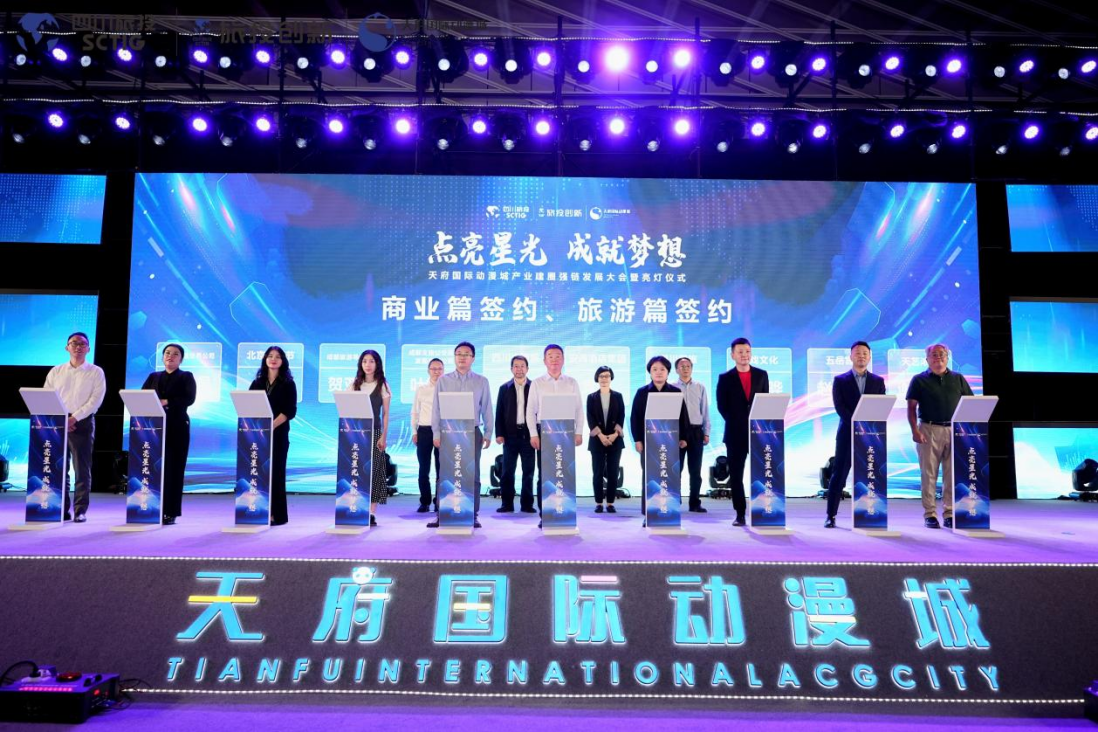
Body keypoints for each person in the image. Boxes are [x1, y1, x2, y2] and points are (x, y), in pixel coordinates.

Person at [906, 343, 974, 529]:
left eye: (942, 354)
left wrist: (967, 431)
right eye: (934, 355)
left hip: (954, 431)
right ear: (927, 359)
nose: (939, 358)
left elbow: (970, 404)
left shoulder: (958, 378)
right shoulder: (918, 380)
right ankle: (930, 514)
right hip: (928, 430)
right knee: (929, 475)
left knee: (951, 475)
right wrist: (915, 431)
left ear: (948, 357)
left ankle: (950, 513)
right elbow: (911, 408)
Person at [429, 341, 493, 529]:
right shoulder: (443, 380)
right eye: (459, 354)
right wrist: (436, 432)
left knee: (472, 474)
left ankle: (472, 514)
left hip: (472, 432)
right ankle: (442, 513)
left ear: (473, 358)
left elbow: (487, 408)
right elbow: (436, 409)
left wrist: (488, 432)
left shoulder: (481, 381)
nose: (462, 357)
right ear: (454, 357)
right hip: (448, 433)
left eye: (466, 354)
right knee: (445, 474)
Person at [43, 332, 106, 523]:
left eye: (82, 344)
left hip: (83, 422)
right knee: (58, 468)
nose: (78, 347)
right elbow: (47, 396)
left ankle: (80, 510)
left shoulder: (96, 372)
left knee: (81, 469)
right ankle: (62, 509)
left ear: (88, 348)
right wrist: (62, 419)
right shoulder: (56, 371)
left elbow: (95, 400)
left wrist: (74, 418)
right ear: (67, 347)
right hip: (58, 423)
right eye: (74, 343)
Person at [824, 341, 887, 528]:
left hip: (871, 436)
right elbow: (840, 407)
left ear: (870, 357)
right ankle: (830, 515)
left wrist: (867, 426)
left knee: (870, 474)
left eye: (865, 353)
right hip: (847, 434)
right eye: (858, 353)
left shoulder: (878, 381)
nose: (861, 356)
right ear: (851, 356)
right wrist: (857, 424)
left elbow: (880, 406)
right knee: (839, 474)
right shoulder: (840, 380)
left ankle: (870, 513)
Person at [525, 344, 584, 527]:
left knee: (565, 473)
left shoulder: (571, 382)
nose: (554, 360)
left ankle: (566, 512)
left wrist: (579, 431)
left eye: (558, 356)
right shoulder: (537, 383)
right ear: (544, 361)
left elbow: (579, 409)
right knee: (545, 474)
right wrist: (533, 434)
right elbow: (530, 411)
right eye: (550, 356)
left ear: (563, 360)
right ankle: (546, 515)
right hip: (544, 432)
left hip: (566, 432)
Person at [715, 337, 770, 527]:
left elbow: (765, 402)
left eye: (747, 351)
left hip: (758, 434)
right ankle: (740, 513)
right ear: (732, 355)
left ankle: (763, 510)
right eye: (740, 352)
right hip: (735, 434)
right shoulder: (725, 378)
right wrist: (737, 422)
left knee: (762, 473)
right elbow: (722, 406)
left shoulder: (762, 375)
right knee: (736, 475)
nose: (744, 355)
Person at [630, 356, 690, 525]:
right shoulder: (642, 392)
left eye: (662, 369)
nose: (658, 372)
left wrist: (684, 437)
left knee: (671, 475)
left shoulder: (675, 392)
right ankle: (649, 514)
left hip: (671, 443)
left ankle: (671, 511)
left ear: (668, 372)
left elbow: (683, 417)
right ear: (649, 372)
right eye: (655, 369)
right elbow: (635, 418)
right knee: (649, 478)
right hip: (648, 443)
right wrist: (638, 440)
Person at [141, 343, 197, 525]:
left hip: (177, 426)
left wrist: (167, 401)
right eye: (167, 353)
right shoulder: (153, 377)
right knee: (153, 468)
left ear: (181, 359)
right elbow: (142, 397)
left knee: (174, 469)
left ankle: (170, 511)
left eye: (175, 354)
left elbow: (189, 398)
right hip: (153, 427)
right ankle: (151, 506)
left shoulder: (186, 376)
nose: (170, 356)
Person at [249, 346, 297, 526]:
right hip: (257, 435)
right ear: (265, 359)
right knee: (258, 473)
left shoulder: (288, 384)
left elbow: (290, 411)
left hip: (279, 434)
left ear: (283, 361)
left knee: (276, 473)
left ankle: (277, 515)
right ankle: (258, 510)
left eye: (277, 357)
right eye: (270, 356)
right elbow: (248, 405)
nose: (273, 359)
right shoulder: (257, 383)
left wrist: (271, 426)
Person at [352, 349, 391, 527]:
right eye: (365, 361)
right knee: (357, 471)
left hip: (374, 433)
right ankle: (356, 506)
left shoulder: (382, 385)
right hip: (356, 435)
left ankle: (371, 512)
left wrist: (383, 436)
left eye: (372, 361)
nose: (368, 365)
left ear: (377, 364)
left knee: (374, 472)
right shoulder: (354, 385)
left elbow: (386, 414)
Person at [495, 355, 535, 514]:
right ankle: (507, 504)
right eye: (516, 366)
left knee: (528, 472)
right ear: (511, 369)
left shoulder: (534, 387)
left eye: (522, 366)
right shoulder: (504, 388)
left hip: (528, 436)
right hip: (509, 436)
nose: (519, 369)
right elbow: (499, 412)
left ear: (527, 368)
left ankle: (527, 504)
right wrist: (499, 434)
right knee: (507, 472)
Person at [672, 357, 711, 514]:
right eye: (682, 366)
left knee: (695, 470)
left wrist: (706, 432)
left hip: (696, 431)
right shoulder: (672, 388)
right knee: (676, 469)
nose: (685, 368)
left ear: (692, 368)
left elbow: (705, 410)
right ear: (676, 370)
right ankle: (674, 501)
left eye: (688, 366)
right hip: (678, 432)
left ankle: (695, 502)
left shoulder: (700, 387)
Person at [587, 366, 625, 513]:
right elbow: (590, 418)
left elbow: (621, 416)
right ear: (597, 378)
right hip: (598, 440)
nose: (604, 379)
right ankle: (598, 502)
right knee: (597, 472)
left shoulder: (618, 396)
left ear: (611, 378)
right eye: (601, 376)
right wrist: (601, 436)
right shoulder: (591, 397)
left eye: (607, 376)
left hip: (615, 439)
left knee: (613, 472)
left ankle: (610, 503)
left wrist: (615, 435)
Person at [411, 358, 443, 513]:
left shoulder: (447, 388)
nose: (436, 372)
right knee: (423, 468)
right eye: (433, 369)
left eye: (439, 369)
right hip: (424, 431)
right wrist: (414, 431)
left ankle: (439, 501)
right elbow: (415, 411)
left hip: (442, 431)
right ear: (428, 371)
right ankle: (425, 501)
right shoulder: (421, 389)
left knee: (441, 468)